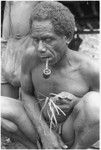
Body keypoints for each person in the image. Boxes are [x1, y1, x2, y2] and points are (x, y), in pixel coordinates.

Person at [1, 1, 99, 149]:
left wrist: (76, 102)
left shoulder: (90, 69)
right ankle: (41, 147)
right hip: (37, 124)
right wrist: (45, 134)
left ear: (67, 37)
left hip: (70, 130)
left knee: (95, 103)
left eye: (47, 39)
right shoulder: (30, 57)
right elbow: (26, 94)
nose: (40, 48)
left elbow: (96, 112)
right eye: (35, 39)